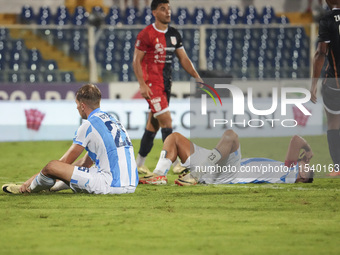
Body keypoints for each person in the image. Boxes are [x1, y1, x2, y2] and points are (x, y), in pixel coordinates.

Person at [2, 84, 139, 194]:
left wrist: (29, 180)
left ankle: (27, 189)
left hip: (110, 184)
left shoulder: (88, 125)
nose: (76, 107)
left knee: (52, 166)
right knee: (77, 170)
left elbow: (63, 162)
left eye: (77, 104)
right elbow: (85, 163)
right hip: (131, 183)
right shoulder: (114, 120)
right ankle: (54, 187)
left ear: (83, 105)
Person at [132, 0, 201, 175]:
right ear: (154, 12)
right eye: (163, 9)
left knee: (153, 125)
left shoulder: (174, 34)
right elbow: (136, 61)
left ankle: (138, 163)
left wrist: (196, 76)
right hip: (151, 85)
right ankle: (175, 162)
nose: (167, 12)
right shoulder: (146, 34)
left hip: (165, 85)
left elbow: (183, 59)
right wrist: (142, 84)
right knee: (167, 121)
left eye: (169, 9)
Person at [139, 130, 314, 185]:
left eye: (307, 167)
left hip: (230, 173)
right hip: (216, 165)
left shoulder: (290, 173)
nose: (305, 163)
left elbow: (296, 140)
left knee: (231, 136)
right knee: (175, 138)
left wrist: (307, 150)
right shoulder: (287, 171)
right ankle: (159, 174)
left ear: (303, 177)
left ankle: (197, 174)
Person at [310, 0, 340, 176]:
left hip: (334, 83)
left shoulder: (327, 19)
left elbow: (321, 52)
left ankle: (338, 167)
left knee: (333, 123)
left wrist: (313, 84)